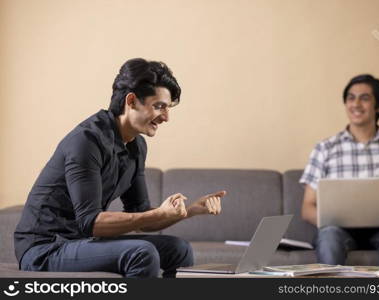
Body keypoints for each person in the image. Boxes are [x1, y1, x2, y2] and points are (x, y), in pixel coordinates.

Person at [14, 58, 226, 278]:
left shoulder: (136, 146)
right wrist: (159, 214)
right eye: (159, 106)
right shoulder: (86, 141)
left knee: (179, 250)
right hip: (45, 248)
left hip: (82, 241)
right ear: (131, 100)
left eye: (168, 108)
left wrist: (189, 211)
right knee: (141, 253)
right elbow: (90, 223)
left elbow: (141, 215)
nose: (166, 117)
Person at [300, 74, 379, 277]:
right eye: (351, 98)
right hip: (337, 229)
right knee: (327, 235)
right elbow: (307, 206)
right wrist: (330, 218)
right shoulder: (325, 148)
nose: (356, 104)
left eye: (364, 98)